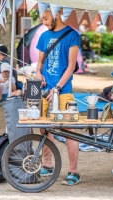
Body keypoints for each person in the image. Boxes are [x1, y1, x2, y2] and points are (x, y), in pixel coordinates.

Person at [36, 7, 81, 186]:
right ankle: (47, 165)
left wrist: (57, 88)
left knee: (70, 130)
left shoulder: (72, 35)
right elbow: (39, 63)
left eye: (46, 18)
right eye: (42, 19)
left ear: (56, 14)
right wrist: (38, 74)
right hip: (46, 92)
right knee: (44, 128)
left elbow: (71, 67)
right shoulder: (44, 36)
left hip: (64, 91)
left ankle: (73, 172)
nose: (44, 23)